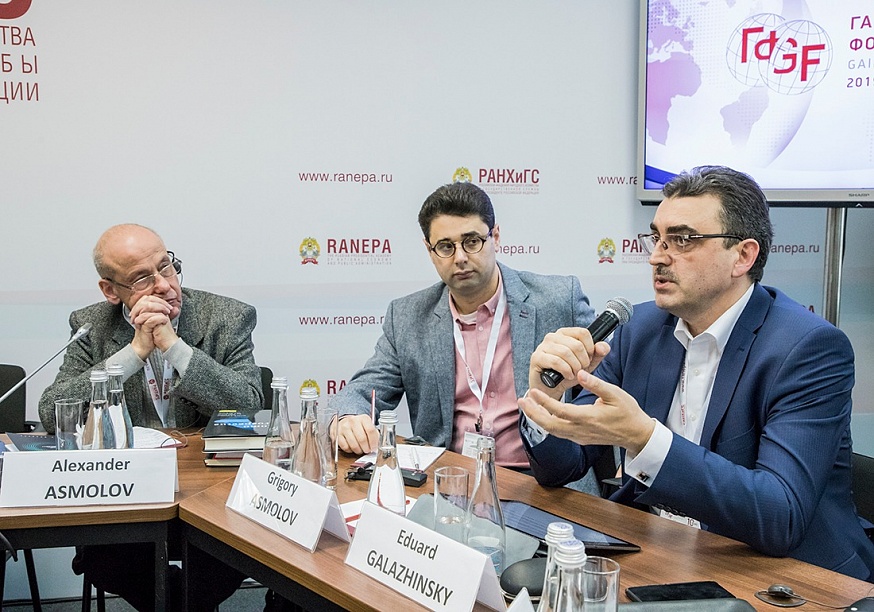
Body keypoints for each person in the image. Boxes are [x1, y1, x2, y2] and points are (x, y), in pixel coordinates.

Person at [518, 166, 874, 580]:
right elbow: (562, 468)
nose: (657, 256)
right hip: (661, 552)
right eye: (657, 238)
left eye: (683, 240)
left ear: (743, 256)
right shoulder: (638, 329)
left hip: (788, 578)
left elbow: (780, 515)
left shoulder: (808, 348)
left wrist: (644, 439)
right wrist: (546, 401)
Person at [39, 223, 261, 611]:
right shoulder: (91, 326)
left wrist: (174, 347)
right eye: (142, 278)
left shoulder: (227, 317)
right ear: (111, 291)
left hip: (210, 496)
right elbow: (53, 413)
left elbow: (249, 405)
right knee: (110, 558)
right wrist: (134, 352)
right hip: (125, 498)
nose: (163, 285)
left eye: (166, 266)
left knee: (224, 558)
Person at [334, 182, 595, 469]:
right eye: (446, 247)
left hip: (545, 479)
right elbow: (360, 392)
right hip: (449, 478)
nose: (460, 258)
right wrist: (347, 419)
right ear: (429, 250)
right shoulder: (407, 317)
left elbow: (610, 382)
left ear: (495, 237)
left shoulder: (559, 300)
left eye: (472, 242)